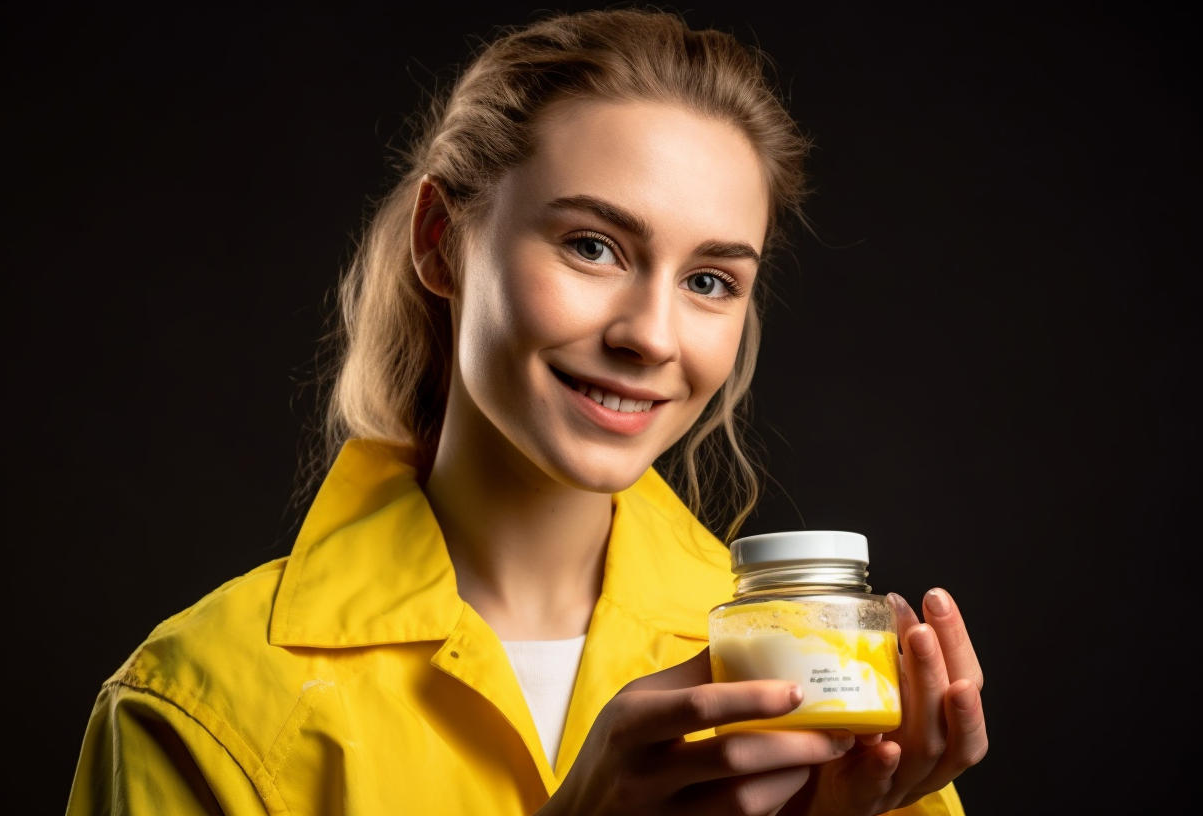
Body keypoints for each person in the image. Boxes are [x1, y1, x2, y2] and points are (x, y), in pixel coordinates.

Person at [65, 8, 987, 815]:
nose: (652, 336)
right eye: (592, 246)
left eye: (710, 280)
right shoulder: (197, 704)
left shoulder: (834, 689)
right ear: (441, 243)